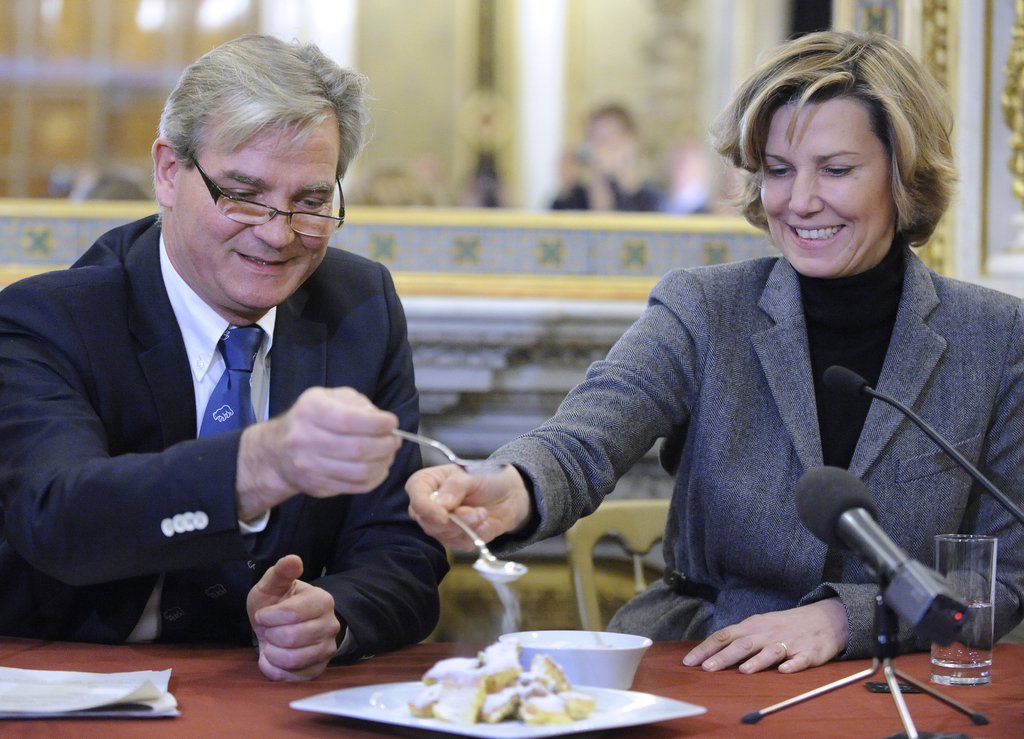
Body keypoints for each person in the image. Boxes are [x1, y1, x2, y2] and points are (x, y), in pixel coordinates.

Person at [408, 30, 1024, 674]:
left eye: (836, 170)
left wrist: (850, 618)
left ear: (903, 176)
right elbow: (583, 439)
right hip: (710, 657)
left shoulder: (997, 335)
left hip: (901, 677)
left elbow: (1005, 575)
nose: (799, 201)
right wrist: (512, 487)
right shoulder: (703, 308)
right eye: (779, 170)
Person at [0, 34, 447, 681]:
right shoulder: (49, 319)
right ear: (167, 171)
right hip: (70, 682)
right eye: (242, 193)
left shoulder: (360, 308)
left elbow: (401, 546)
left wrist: (335, 614)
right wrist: (259, 464)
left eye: (311, 202)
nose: (278, 233)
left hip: (266, 692)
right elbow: (60, 518)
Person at [550, 103, 661, 212]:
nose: (599, 148)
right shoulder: (575, 197)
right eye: (592, 138)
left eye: (608, 138)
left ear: (632, 142)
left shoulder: (652, 200)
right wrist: (565, 189)